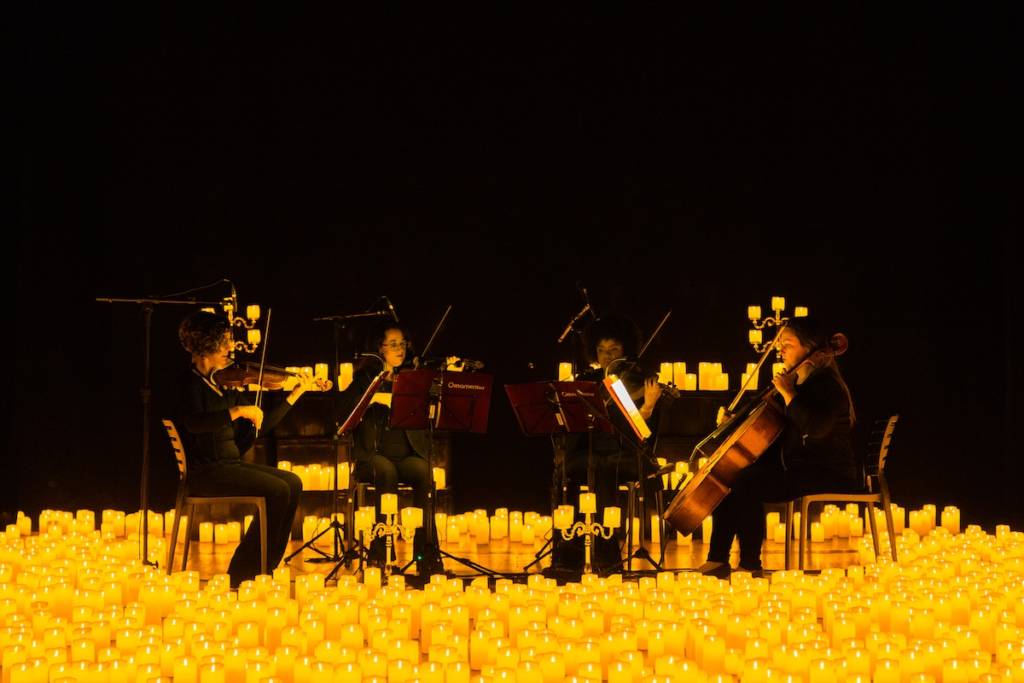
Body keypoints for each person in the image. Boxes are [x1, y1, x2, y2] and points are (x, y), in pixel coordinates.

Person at [698, 316, 859, 578]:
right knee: (732, 474)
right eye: (780, 344)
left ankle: (750, 563)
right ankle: (717, 558)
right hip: (801, 467)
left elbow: (814, 429)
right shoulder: (800, 383)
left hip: (826, 471)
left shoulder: (826, 385)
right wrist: (733, 424)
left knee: (747, 481)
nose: (780, 350)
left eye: (788, 344)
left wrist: (788, 394)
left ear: (810, 348)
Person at [175, 311, 317, 588]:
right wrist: (238, 411)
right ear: (205, 348)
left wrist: (293, 395)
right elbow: (194, 423)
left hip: (229, 466)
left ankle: (265, 567)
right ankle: (243, 573)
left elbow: (257, 429)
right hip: (206, 473)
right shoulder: (189, 384)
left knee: (292, 482)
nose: (232, 348)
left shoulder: (226, 385)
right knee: (277, 490)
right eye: (225, 342)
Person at [549, 313, 665, 575]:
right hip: (591, 449)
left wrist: (647, 406)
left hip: (626, 453)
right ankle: (568, 550)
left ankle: (607, 549)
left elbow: (643, 436)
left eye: (614, 350)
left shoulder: (640, 381)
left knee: (602, 468)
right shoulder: (589, 381)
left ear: (626, 350)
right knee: (564, 468)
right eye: (601, 351)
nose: (607, 357)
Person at [335, 321, 443, 577]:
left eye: (402, 344)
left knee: (423, 472)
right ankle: (380, 551)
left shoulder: (413, 377)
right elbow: (344, 411)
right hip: (373, 455)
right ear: (379, 349)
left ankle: (425, 553)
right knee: (386, 473)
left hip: (407, 453)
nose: (399, 349)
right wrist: (373, 394)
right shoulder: (365, 377)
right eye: (392, 344)